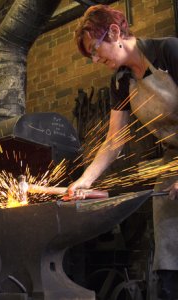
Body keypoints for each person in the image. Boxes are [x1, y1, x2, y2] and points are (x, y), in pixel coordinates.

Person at [70, 4, 178, 299]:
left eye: (95, 49)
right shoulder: (120, 81)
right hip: (172, 160)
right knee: (169, 242)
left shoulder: (169, 51)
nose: (95, 59)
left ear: (115, 32)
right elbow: (114, 141)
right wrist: (86, 179)